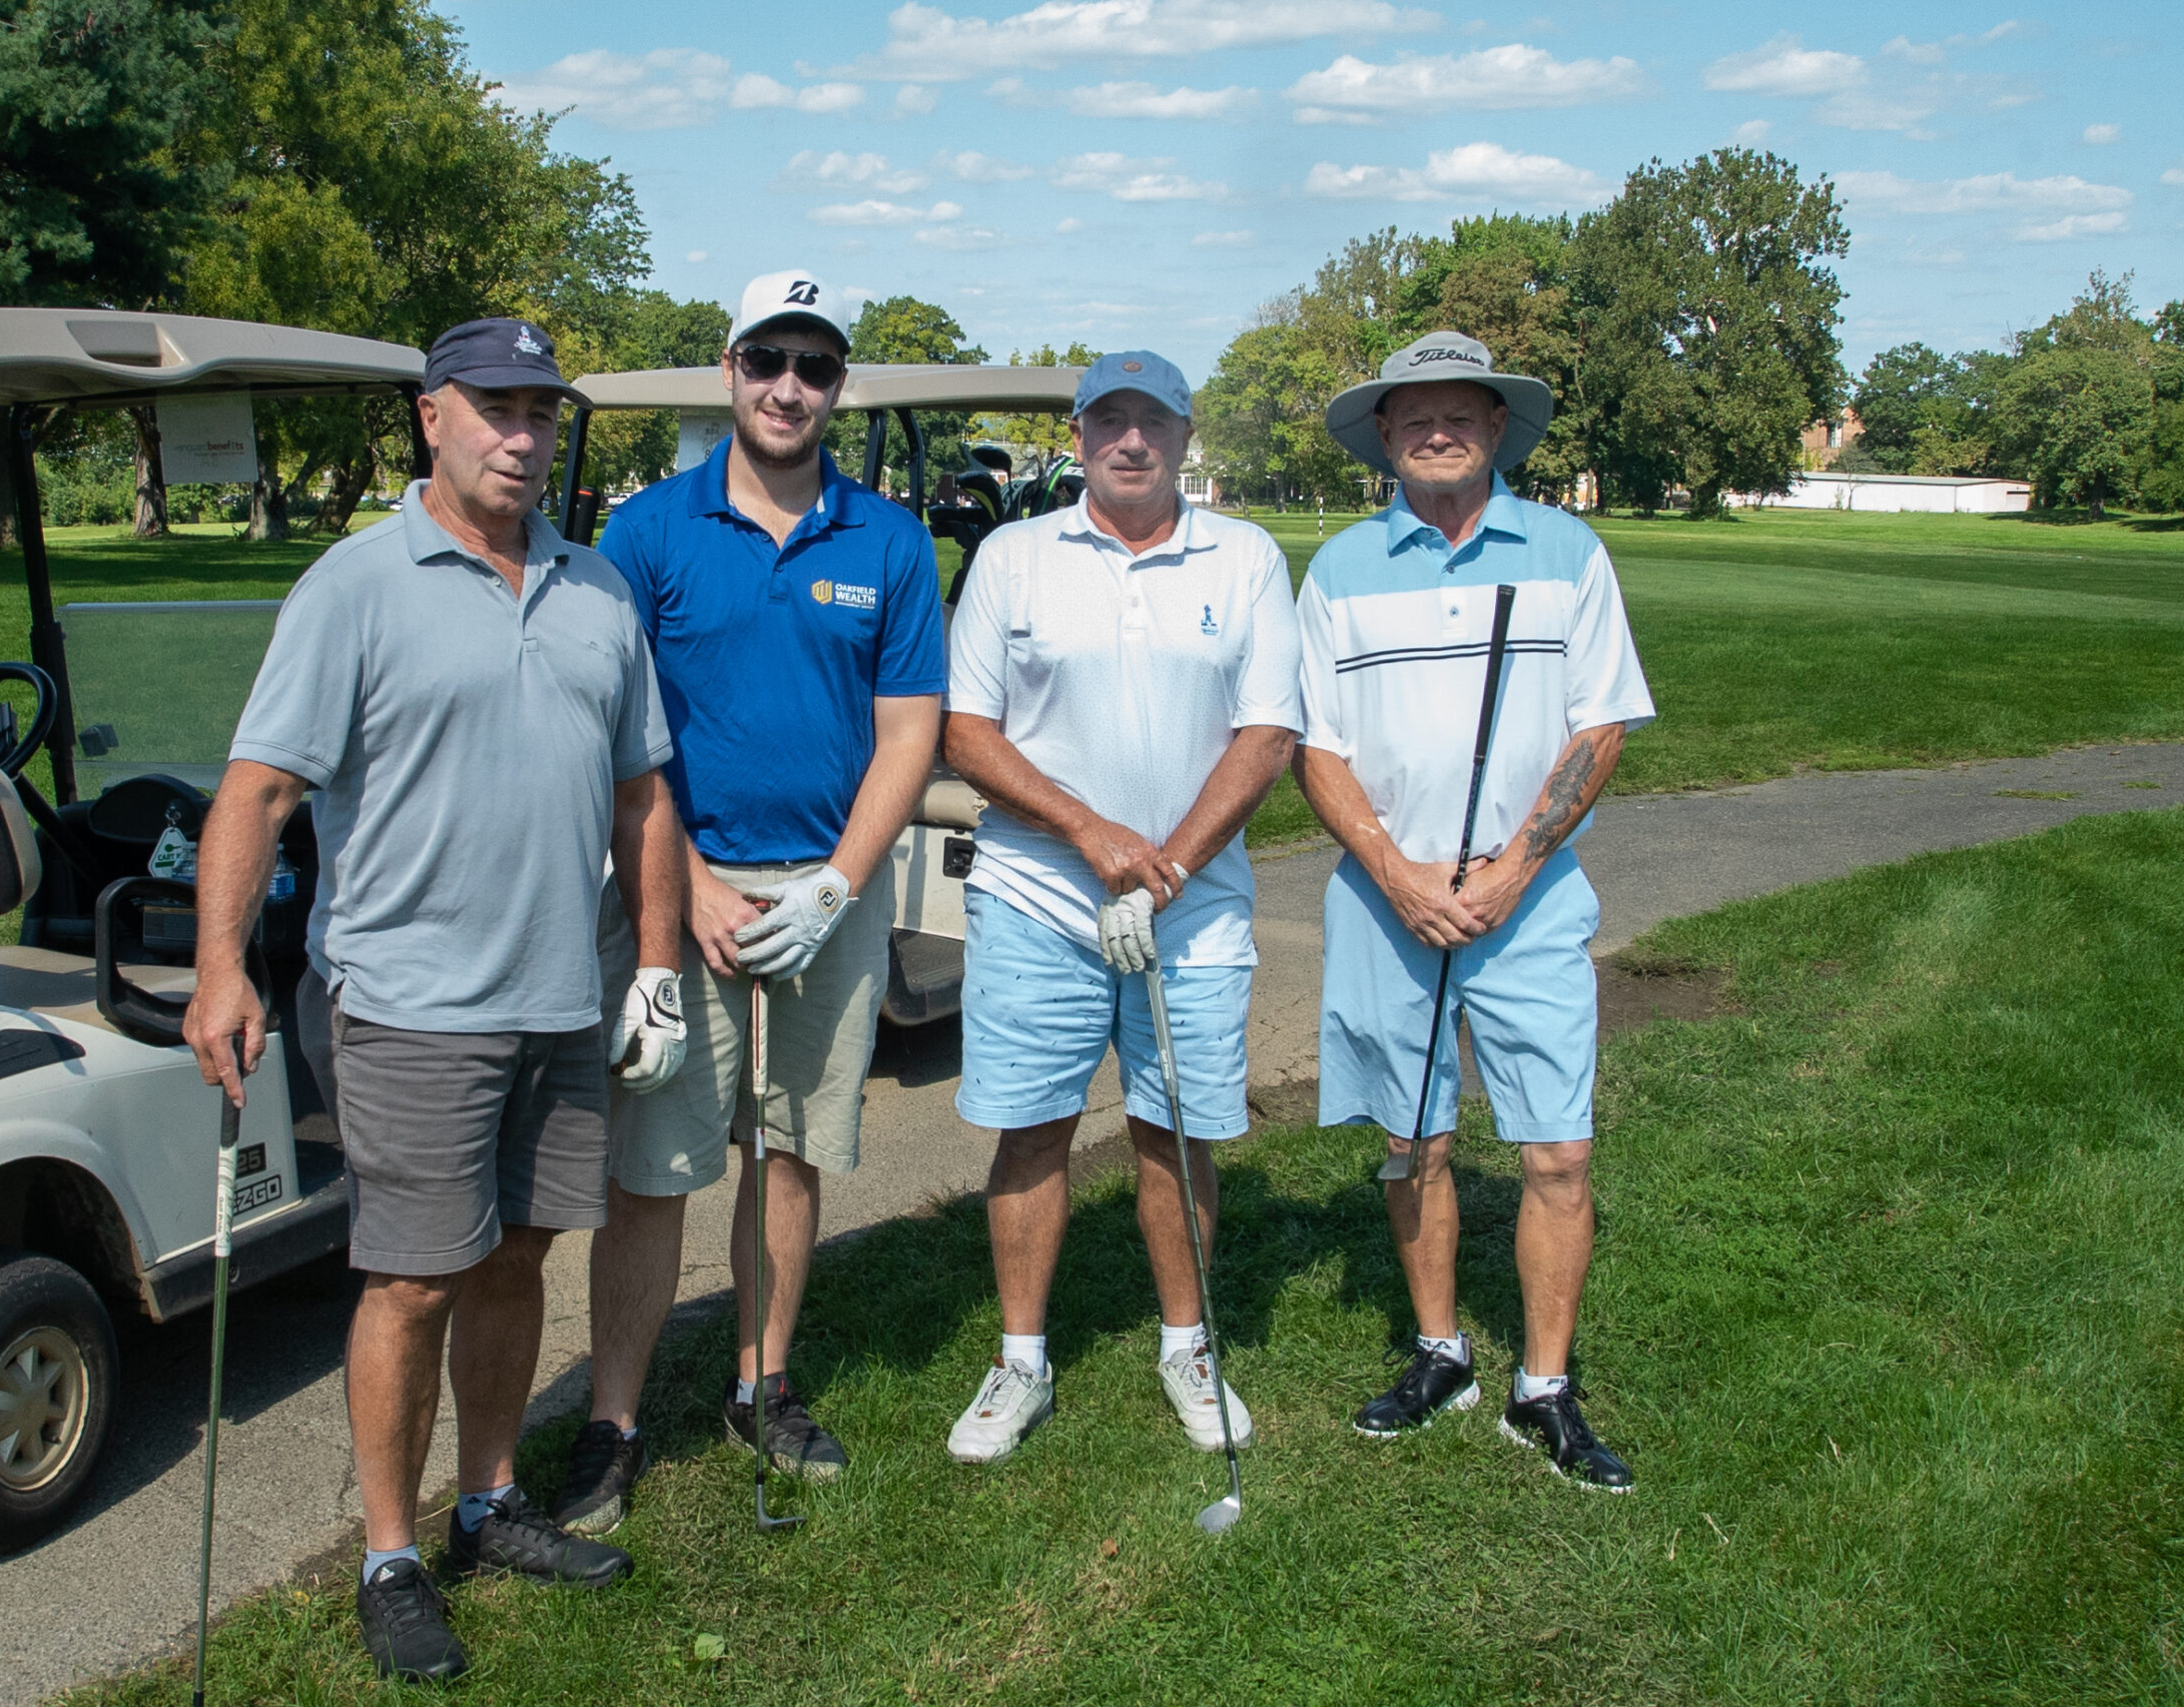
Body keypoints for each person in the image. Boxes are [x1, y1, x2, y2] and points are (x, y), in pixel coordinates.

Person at [185, 318, 690, 1683]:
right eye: (497, 408)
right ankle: (391, 1555)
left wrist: (653, 960)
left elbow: (643, 794)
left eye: (541, 412)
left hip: (561, 998)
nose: (522, 436)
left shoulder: (597, 592)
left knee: (521, 1255)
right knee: (412, 1279)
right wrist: (222, 968)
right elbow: (260, 789)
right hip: (410, 1003)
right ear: (433, 415)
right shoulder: (354, 586)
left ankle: (488, 1500)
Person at [558, 268, 945, 1533]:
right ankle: (614, 1421)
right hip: (682, 889)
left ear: (838, 387)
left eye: (816, 367)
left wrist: (841, 883)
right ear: (728, 370)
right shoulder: (649, 533)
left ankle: (758, 1384)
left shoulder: (884, 538)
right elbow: (620, 735)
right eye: (768, 360)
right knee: (650, 1170)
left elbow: (908, 733)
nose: (790, 387)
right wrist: (693, 888)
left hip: (825, 892)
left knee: (790, 1152)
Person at [1294, 331, 1655, 1491]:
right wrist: (1402, 874)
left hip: (1530, 898)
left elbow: (1598, 727)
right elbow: (1316, 748)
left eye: (1461, 411)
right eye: (1413, 415)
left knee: (1556, 1149)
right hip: (1385, 895)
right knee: (1414, 1142)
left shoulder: (1565, 550)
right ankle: (1440, 1349)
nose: (1436, 428)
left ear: (1497, 428)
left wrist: (1505, 870)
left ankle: (1542, 1385)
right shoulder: (1340, 568)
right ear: (1384, 435)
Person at [937, 351, 1300, 1465]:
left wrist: (1168, 865)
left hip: (1189, 907)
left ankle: (1187, 1344)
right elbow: (967, 730)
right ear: (1081, 437)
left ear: (1186, 437)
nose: (1129, 441)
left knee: (1175, 1130)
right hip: (1036, 893)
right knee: (1032, 1124)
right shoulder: (1014, 553)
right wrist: (1090, 835)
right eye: (1108, 422)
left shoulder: (1242, 557)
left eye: (1152, 421)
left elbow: (1267, 733)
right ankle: (1020, 1357)